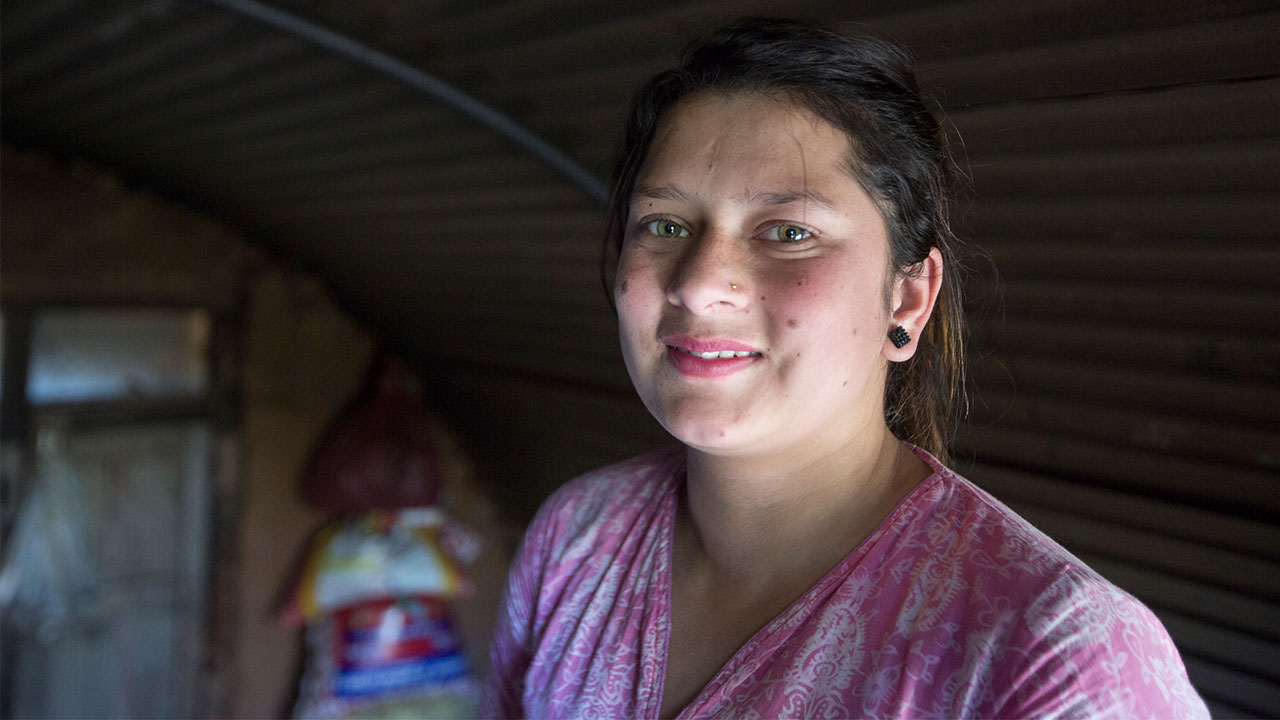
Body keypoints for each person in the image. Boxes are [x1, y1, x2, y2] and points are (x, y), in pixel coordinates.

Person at [484, 17, 1208, 719]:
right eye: (665, 225)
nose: (700, 282)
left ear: (908, 297)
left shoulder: (1058, 655)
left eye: (789, 232)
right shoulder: (579, 536)